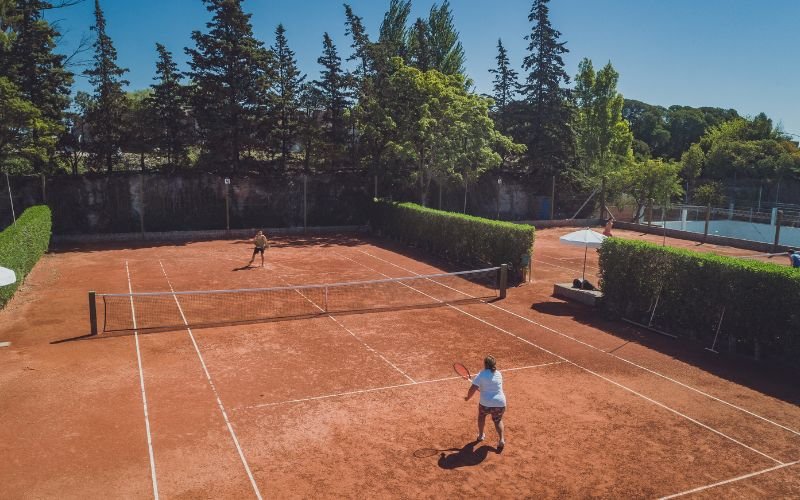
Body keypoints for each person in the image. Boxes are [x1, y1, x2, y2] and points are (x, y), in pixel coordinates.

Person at [465, 355, 507, 452]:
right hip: (500, 403)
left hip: (486, 404)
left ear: (485, 364)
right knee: (498, 421)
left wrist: (467, 398)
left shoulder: (481, 375)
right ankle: (501, 440)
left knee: (481, 417)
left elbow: (472, 389)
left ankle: (480, 436)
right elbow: (490, 388)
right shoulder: (499, 374)